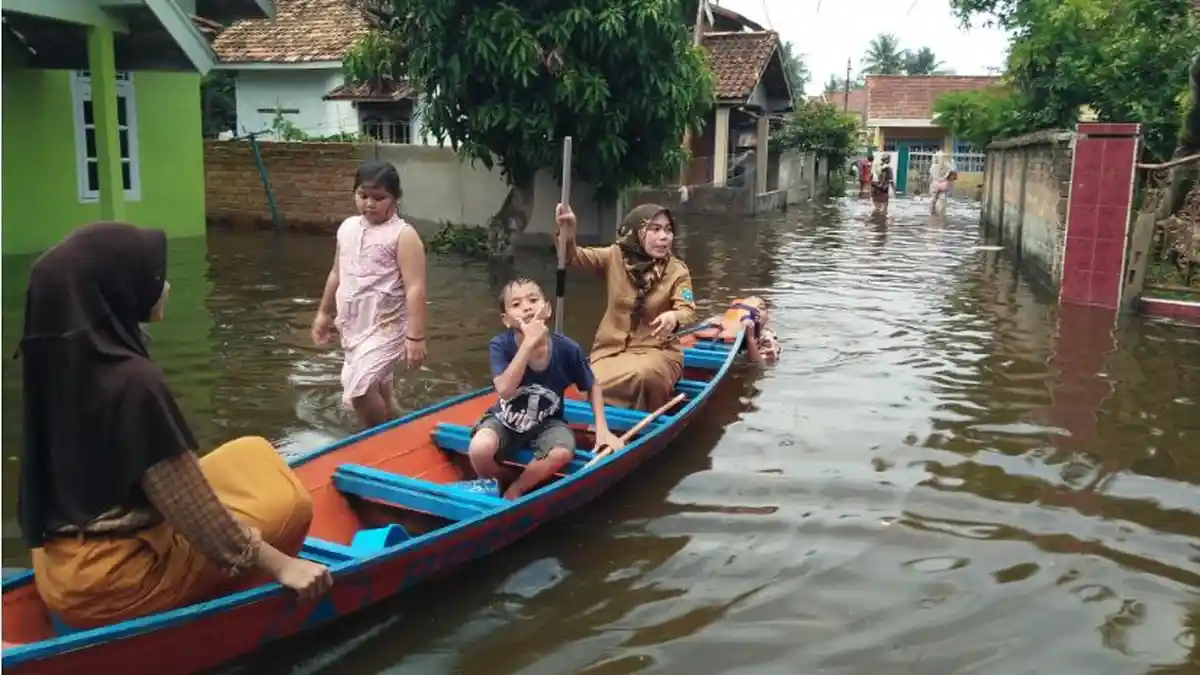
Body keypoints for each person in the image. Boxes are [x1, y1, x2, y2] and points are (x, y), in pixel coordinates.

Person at [18, 222, 331, 630]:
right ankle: (231, 600)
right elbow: (195, 511)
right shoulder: (132, 382)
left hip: (59, 567)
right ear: (116, 290)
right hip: (116, 583)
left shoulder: (56, 366)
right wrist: (283, 565)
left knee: (252, 450)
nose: (164, 286)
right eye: (152, 278)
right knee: (292, 504)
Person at [468, 279, 624, 500]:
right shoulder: (500, 345)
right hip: (505, 417)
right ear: (506, 320)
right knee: (479, 449)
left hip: (549, 423)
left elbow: (592, 385)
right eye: (516, 304)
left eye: (533, 300)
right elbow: (504, 389)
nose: (527, 307)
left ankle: (517, 489)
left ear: (547, 309)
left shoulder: (567, 349)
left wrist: (602, 429)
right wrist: (527, 344)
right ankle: (503, 478)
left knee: (561, 452)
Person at [312, 160, 428, 429]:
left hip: (388, 326)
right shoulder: (348, 228)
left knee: (359, 392)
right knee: (377, 385)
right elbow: (336, 274)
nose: (370, 204)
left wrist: (415, 336)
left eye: (379, 198)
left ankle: (377, 435)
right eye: (363, 196)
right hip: (354, 323)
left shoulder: (402, 235)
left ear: (396, 198)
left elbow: (416, 288)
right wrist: (323, 313)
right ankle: (399, 421)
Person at [557, 202, 698, 411]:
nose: (664, 237)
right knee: (590, 381)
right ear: (637, 233)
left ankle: (642, 426)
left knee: (645, 375)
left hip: (657, 350)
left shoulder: (677, 271)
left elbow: (688, 310)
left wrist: (674, 317)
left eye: (668, 230)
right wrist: (568, 233)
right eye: (656, 229)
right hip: (610, 350)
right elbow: (572, 257)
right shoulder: (614, 257)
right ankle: (600, 427)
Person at [682, 296, 781, 364]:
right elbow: (696, 332)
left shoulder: (767, 338)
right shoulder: (716, 322)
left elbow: (762, 368)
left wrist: (750, 340)